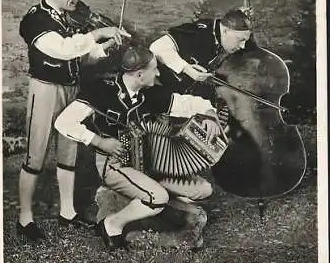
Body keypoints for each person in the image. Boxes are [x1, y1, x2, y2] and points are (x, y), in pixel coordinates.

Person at [55, 46, 224, 249]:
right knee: (157, 197)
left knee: (203, 190)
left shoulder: (151, 92)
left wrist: (209, 115)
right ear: (139, 74)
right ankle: (112, 224)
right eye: (155, 69)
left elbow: (191, 103)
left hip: (150, 163)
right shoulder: (101, 91)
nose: (159, 73)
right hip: (115, 164)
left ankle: (149, 205)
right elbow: (63, 122)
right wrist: (99, 141)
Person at [17, 0, 129, 242]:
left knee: (68, 153)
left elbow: (79, 58)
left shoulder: (68, 17)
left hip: (71, 88)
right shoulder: (35, 19)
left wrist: (103, 50)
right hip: (44, 90)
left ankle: (68, 213)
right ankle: (25, 219)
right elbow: (63, 49)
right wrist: (99, 33)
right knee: (35, 157)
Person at [149, 9, 255, 98]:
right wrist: (187, 69)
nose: (242, 46)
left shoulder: (228, 36)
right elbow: (157, 47)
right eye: (240, 40)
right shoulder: (197, 33)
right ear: (226, 31)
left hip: (190, 90)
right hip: (160, 87)